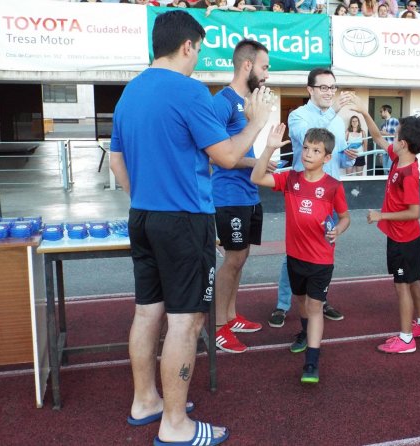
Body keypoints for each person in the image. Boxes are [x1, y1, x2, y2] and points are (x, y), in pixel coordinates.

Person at [109, 10, 271, 445]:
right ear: (187, 46)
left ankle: (146, 401)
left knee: (147, 312)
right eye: (198, 49)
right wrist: (256, 121)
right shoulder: (190, 92)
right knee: (186, 321)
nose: (198, 57)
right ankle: (175, 425)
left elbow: (116, 160)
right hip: (183, 221)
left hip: (143, 215)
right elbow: (227, 157)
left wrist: (143, 196)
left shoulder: (130, 93)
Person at [252, 127, 351, 383]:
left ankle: (311, 362)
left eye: (316, 150)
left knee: (315, 306)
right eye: (306, 147)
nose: (308, 153)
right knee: (302, 303)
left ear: (327, 158)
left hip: (321, 260)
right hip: (295, 258)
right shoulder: (290, 179)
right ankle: (305, 333)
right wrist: (270, 147)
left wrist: (337, 231)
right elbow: (257, 177)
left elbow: (345, 217)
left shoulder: (332, 187)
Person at [267, 68, 357, 330]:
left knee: (326, 249)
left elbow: (335, 157)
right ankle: (283, 304)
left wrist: (347, 158)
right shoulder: (298, 116)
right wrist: (334, 113)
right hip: (302, 192)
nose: (330, 92)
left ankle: (320, 298)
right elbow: (311, 138)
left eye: (332, 87)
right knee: (293, 255)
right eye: (324, 87)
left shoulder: (338, 120)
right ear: (310, 90)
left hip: (329, 193)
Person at [354, 98, 420, 354]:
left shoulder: (409, 173)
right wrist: (364, 112)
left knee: (402, 286)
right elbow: (378, 137)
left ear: (403, 143)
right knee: (413, 282)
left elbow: (414, 213)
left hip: (404, 239)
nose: (392, 135)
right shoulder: (398, 156)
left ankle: (406, 338)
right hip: (403, 237)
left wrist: (382, 216)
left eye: (396, 133)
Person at [211, 39, 272, 354]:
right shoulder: (222, 102)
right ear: (247, 65)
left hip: (248, 193)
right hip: (228, 195)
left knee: (241, 257)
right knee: (233, 259)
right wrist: (258, 161)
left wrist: (259, 162)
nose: (267, 74)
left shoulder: (248, 102)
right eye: (264, 67)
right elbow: (217, 156)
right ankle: (218, 325)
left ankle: (231, 316)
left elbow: (242, 149)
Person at [379, 104, 399, 175]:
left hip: (393, 149)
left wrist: (385, 133)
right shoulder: (383, 124)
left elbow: (398, 136)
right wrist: (380, 154)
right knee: (385, 171)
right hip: (384, 150)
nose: (380, 113)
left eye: (381, 111)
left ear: (386, 111)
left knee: (389, 169)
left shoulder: (395, 121)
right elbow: (381, 139)